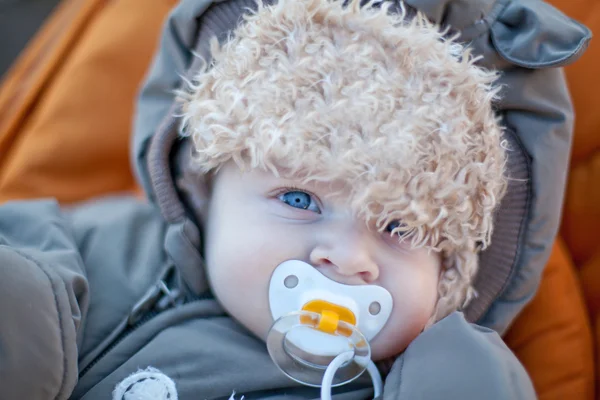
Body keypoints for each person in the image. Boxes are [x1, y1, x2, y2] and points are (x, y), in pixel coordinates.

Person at [0, 0, 590, 399]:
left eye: (401, 227)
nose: (347, 258)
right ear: (206, 190)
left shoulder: (411, 376)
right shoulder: (106, 254)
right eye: (300, 199)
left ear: (454, 274)